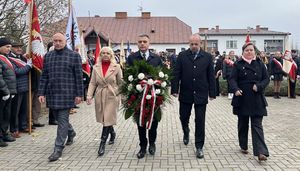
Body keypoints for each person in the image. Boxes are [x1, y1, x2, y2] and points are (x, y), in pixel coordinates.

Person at [38, 33, 83, 162]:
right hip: (52, 93)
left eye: (60, 41)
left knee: (62, 120)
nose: (57, 43)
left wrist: (79, 94)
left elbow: (78, 77)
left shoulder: (74, 56)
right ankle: (71, 132)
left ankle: (58, 149)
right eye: (55, 41)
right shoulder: (48, 56)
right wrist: (41, 93)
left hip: (67, 94)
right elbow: (44, 76)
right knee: (59, 118)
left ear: (65, 41)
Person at [171, 34, 216, 159]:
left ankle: (199, 146)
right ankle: (186, 130)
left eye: (196, 44)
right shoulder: (182, 56)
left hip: (201, 93)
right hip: (186, 92)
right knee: (183, 116)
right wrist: (175, 89)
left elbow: (211, 76)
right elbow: (176, 73)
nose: (194, 46)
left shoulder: (207, 57)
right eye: (192, 44)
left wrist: (212, 93)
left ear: (200, 44)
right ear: (189, 43)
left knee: (200, 120)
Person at [229, 42, 269, 161]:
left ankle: (261, 152)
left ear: (254, 52)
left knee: (257, 125)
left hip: (257, 97)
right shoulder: (238, 64)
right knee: (243, 123)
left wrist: (259, 86)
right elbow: (232, 79)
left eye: (251, 50)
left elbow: (266, 78)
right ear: (243, 52)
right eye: (247, 50)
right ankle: (243, 145)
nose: (249, 52)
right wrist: (235, 89)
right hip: (242, 97)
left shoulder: (260, 64)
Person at [127, 34, 163, 159]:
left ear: (149, 43)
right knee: (140, 122)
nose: (142, 43)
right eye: (140, 41)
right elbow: (128, 75)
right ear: (137, 43)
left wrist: (158, 88)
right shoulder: (132, 58)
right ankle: (142, 146)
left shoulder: (156, 58)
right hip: (138, 96)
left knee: (154, 121)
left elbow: (161, 75)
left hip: (154, 95)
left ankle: (152, 143)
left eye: (145, 41)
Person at [86, 46, 122, 156]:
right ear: (100, 55)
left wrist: (122, 96)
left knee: (107, 118)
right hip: (100, 94)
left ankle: (102, 143)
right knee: (105, 118)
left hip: (112, 95)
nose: (105, 55)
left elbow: (121, 83)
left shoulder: (117, 67)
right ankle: (112, 133)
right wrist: (89, 96)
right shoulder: (96, 67)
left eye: (108, 53)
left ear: (111, 55)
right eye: (103, 53)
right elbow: (92, 83)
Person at [9, 42, 34, 137]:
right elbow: (17, 71)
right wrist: (28, 66)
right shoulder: (10, 58)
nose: (19, 49)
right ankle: (14, 129)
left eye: (20, 47)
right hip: (17, 87)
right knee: (16, 110)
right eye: (16, 47)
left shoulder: (22, 58)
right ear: (12, 48)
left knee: (24, 109)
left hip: (25, 87)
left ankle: (22, 126)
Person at [0, 38, 17, 147]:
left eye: (10, 47)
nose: (9, 49)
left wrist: (12, 91)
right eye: (7, 46)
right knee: (0, 115)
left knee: (6, 114)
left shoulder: (5, 58)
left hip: (8, 92)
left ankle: (5, 133)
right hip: (2, 92)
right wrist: (5, 91)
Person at [46, 42, 57, 125]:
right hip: (50, 85)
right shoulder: (48, 57)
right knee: (52, 104)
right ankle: (52, 119)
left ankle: (54, 118)